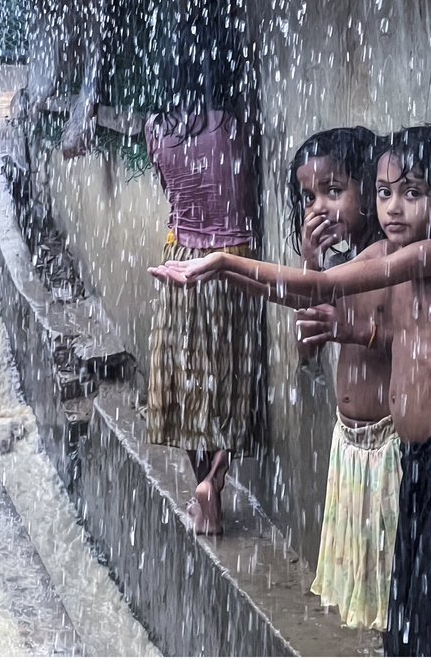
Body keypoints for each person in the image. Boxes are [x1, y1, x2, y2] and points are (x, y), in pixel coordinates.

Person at [149, 124, 431, 655]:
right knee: (416, 603)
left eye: (413, 193)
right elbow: (304, 291)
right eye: (386, 192)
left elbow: (324, 287)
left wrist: (226, 259)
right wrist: (223, 276)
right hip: (420, 457)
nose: (393, 208)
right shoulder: (398, 260)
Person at [285, 126, 403, 631]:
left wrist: (352, 327)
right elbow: (306, 352)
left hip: (387, 445)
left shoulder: (391, 262)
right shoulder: (336, 267)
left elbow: (411, 347)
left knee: (392, 579)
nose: (320, 210)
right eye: (308, 197)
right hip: (348, 446)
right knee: (364, 586)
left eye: (334, 192)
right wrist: (311, 266)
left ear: (368, 189)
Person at [144, 71, 263, 537]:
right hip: (231, 263)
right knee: (230, 385)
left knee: (191, 389)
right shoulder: (234, 123)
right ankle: (216, 481)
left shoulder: (156, 127)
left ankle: (204, 496)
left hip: (179, 262)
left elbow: (170, 194)